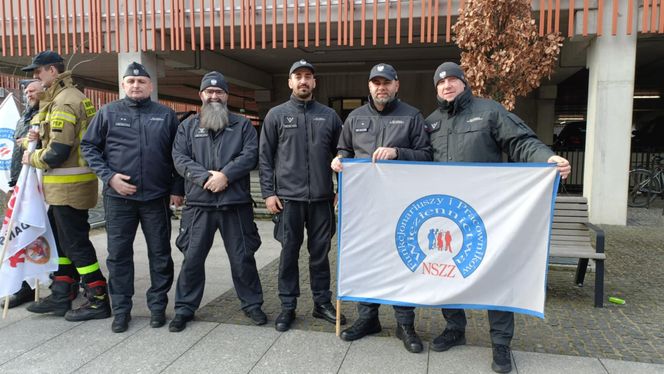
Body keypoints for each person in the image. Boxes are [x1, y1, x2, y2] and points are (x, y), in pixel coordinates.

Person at [425, 61, 571, 374]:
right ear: (436, 89)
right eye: (441, 82)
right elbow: (418, 161)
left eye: (452, 80)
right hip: (448, 214)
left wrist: (547, 158)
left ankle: (501, 343)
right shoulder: (431, 123)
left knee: (496, 274)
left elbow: (520, 142)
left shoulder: (490, 111)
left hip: (487, 213)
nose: (447, 85)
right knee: (446, 269)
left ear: (464, 83)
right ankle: (455, 328)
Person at [331, 63, 432, 353]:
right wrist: (338, 161)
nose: (381, 87)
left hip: (402, 205)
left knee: (403, 262)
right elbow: (345, 150)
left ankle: (405, 323)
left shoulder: (412, 116)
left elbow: (427, 156)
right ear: (369, 87)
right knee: (367, 261)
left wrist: (398, 152)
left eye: (386, 82)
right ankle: (368, 319)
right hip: (364, 207)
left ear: (396, 85)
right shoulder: (354, 117)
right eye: (376, 83)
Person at [80, 62, 184, 333]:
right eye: (130, 82)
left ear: (150, 86)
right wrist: (109, 177)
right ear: (123, 85)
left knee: (160, 254)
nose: (136, 85)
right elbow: (89, 147)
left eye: (141, 82)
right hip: (118, 199)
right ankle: (122, 309)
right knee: (118, 255)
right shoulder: (108, 113)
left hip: (156, 197)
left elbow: (179, 155)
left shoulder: (165, 115)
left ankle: (158, 306)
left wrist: (177, 188)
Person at [170, 71, 265, 332]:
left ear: (226, 96)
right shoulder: (187, 127)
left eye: (219, 92)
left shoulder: (242, 125)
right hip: (199, 205)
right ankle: (184, 308)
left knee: (243, 258)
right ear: (201, 95)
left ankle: (252, 304)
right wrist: (204, 178)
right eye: (209, 92)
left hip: (235, 203)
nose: (214, 96)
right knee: (192, 258)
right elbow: (179, 158)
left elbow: (250, 154)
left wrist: (226, 175)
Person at [21, 50, 111, 321]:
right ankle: (62, 291)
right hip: (67, 187)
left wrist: (31, 154)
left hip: (68, 187)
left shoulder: (64, 101)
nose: (35, 78)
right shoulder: (67, 98)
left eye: (38, 72)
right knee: (62, 241)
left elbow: (57, 151)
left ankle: (98, 298)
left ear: (52, 70)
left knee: (75, 243)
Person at [259, 59, 346, 332]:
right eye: (298, 76)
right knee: (288, 254)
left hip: (321, 200)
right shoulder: (275, 115)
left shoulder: (329, 116)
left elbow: (343, 155)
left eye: (308, 76)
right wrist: (268, 193)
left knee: (320, 254)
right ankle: (288, 305)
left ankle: (322, 304)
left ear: (314, 82)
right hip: (288, 201)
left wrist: (340, 189)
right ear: (290, 82)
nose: (303, 81)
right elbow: (264, 158)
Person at [1, 80, 42, 309]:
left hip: (41, 183)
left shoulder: (45, 115)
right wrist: (13, 184)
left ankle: (64, 284)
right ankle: (24, 287)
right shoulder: (23, 118)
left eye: (33, 91)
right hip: (21, 184)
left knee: (44, 236)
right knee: (21, 236)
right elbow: (17, 155)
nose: (29, 95)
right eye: (26, 92)